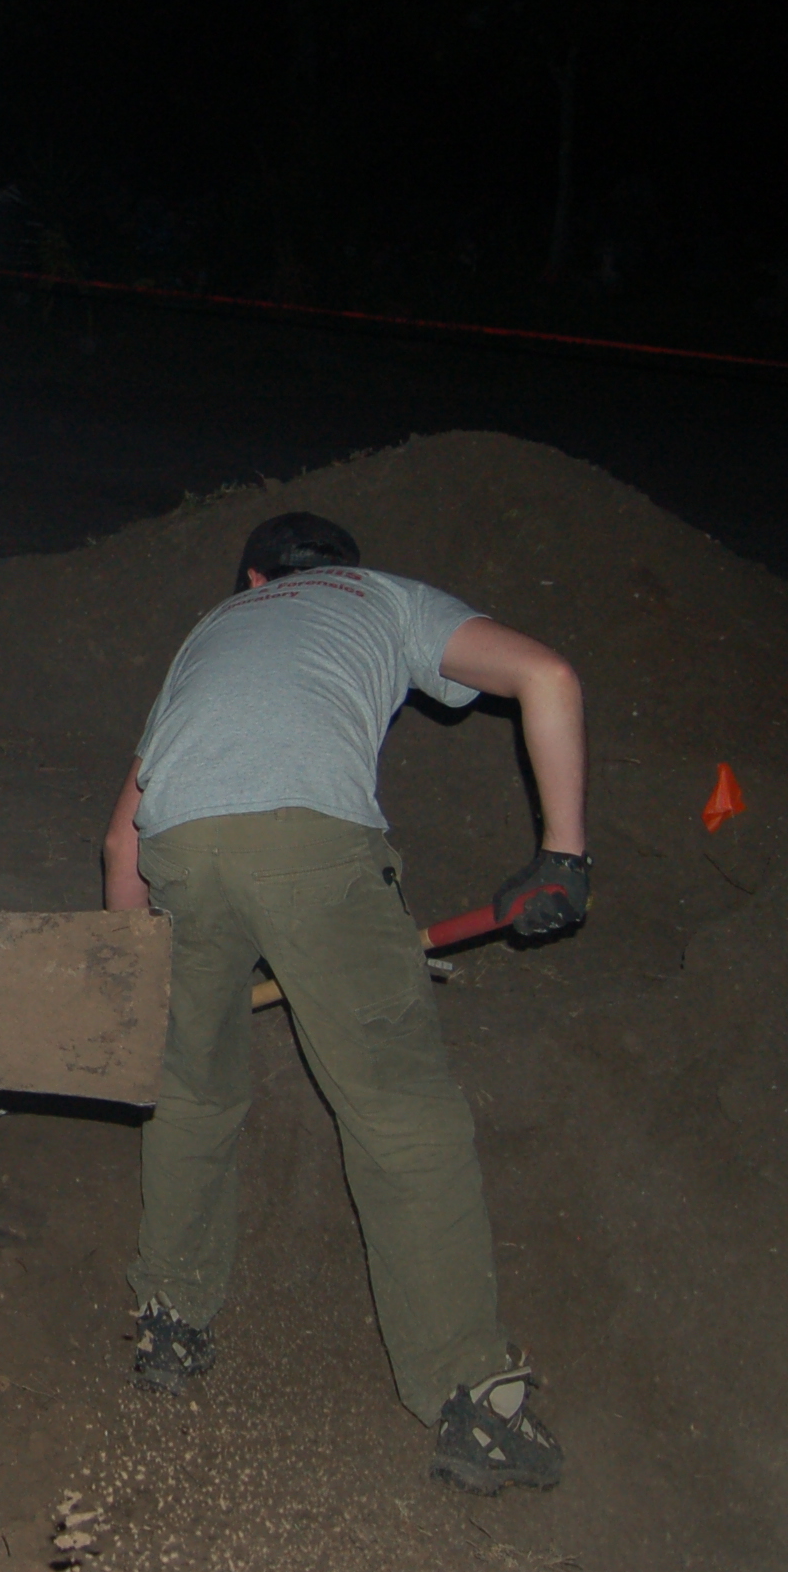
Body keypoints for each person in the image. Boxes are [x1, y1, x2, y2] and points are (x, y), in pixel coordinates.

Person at [99, 513, 591, 1494]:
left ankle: (169, 1321)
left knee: (192, 1091)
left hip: (182, 846)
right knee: (401, 1116)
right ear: (342, 570)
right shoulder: (383, 597)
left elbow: (122, 844)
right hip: (312, 846)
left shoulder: (213, 628)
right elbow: (549, 676)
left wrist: (130, 976)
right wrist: (562, 853)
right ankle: (468, 1395)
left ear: (253, 577)